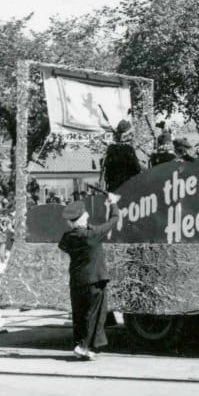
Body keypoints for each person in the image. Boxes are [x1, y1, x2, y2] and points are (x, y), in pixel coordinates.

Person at [58, 194, 120, 360]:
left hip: (77, 281)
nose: (89, 216)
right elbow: (114, 219)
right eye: (86, 215)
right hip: (95, 280)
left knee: (79, 314)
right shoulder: (92, 236)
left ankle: (82, 345)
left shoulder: (68, 237)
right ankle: (85, 346)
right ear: (83, 219)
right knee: (95, 315)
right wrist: (113, 203)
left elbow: (78, 234)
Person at [101, 119, 141, 191]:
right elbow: (137, 169)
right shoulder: (129, 149)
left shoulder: (111, 149)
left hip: (113, 188)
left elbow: (106, 171)